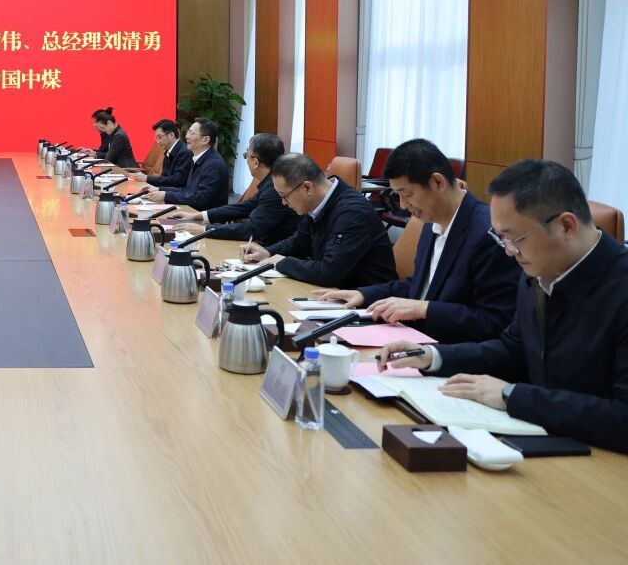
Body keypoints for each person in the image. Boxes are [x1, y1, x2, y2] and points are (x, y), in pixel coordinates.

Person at [378, 159, 628, 453]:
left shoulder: (617, 287)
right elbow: (513, 349)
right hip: (542, 441)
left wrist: (512, 395)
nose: (509, 252)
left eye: (515, 238)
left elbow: (622, 418)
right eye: (503, 239)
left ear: (566, 226)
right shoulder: (538, 270)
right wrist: (432, 356)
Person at [312, 139, 516, 342]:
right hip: (412, 338)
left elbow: (495, 321)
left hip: (451, 350)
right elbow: (421, 286)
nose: (402, 205)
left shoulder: (489, 234)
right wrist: (364, 295)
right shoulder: (430, 222)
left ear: (438, 183)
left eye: (407, 194)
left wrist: (425, 309)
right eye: (397, 195)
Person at [240, 153, 396, 287]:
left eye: (284, 196)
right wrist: (268, 253)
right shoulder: (318, 202)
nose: (283, 203)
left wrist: (282, 262)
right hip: (336, 293)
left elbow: (328, 272)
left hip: (367, 303)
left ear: (307, 187)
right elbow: (299, 242)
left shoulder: (352, 213)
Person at [170, 133, 298, 244]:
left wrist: (204, 230)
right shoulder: (270, 182)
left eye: (245, 155)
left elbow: (251, 229)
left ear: (256, 162)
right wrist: (197, 216)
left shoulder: (274, 189)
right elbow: (243, 208)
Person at [145, 118, 229, 212]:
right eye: (188, 132)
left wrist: (166, 196)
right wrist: (159, 189)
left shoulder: (214, 164)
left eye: (192, 133)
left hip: (204, 217)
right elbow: (187, 190)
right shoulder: (198, 158)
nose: (187, 136)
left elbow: (201, 199)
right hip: (191, 211)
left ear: (205, 140)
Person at [129, 120, 190, 189]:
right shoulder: (168, 151)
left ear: (171, 135)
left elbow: (177, 181)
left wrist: (147, 178)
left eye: (159, 137)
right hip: (167, 191)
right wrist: (152, 187)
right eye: (156, 138)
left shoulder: (184, 152)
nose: (157, 141)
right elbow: (164, 178)